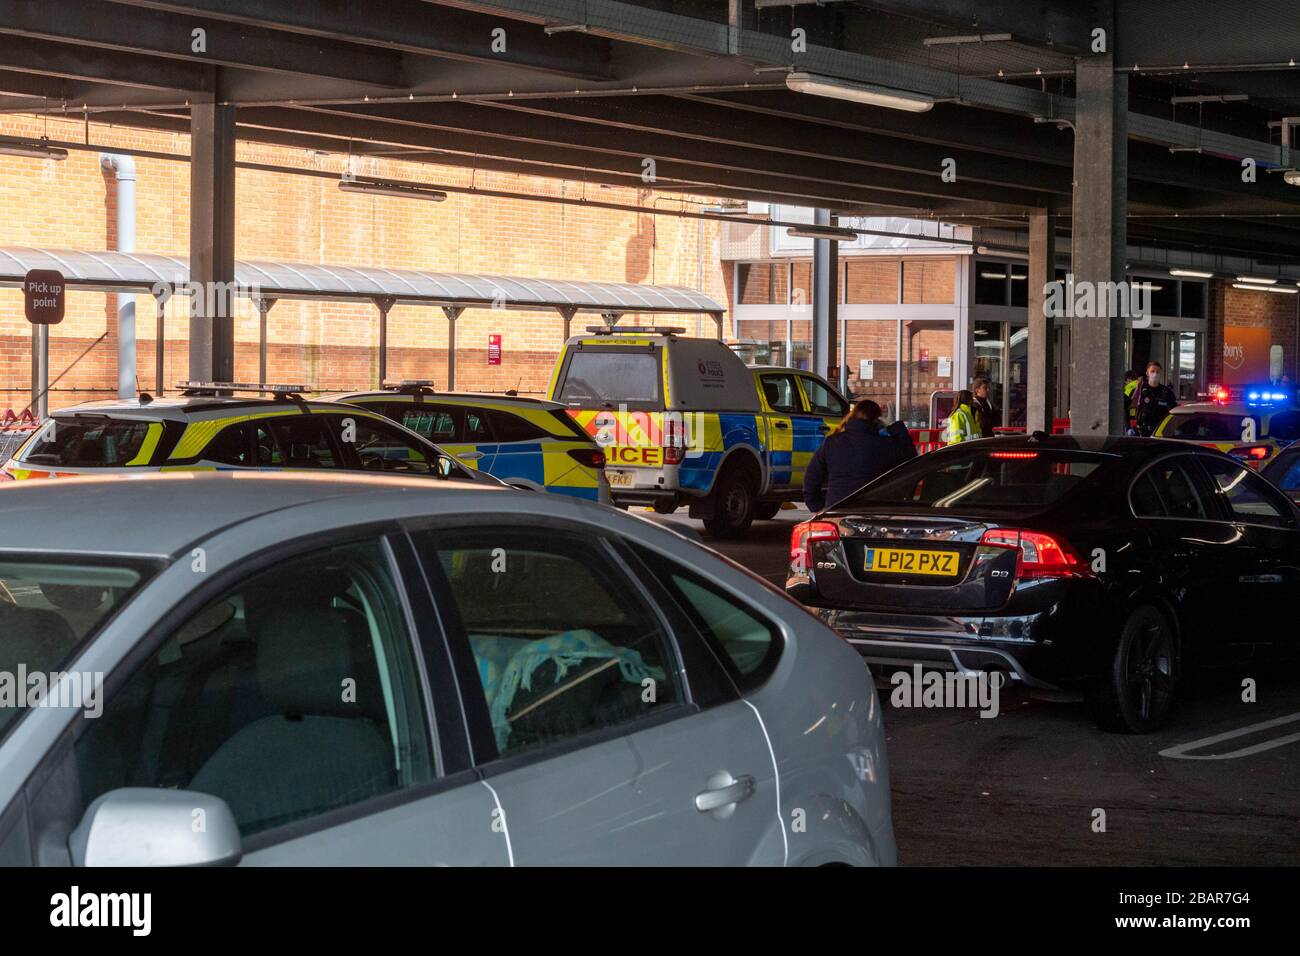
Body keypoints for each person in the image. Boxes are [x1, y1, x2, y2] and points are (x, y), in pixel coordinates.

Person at [803, 399, 908, 512]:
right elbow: (911, 460)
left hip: (837, 508)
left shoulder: (832, 442)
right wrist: (894, 426)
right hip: (875, 509)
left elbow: (812, 476)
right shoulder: (886, 445)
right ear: (877, 421)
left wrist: (816, 507)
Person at [1132, 361, 1177, 436]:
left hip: (1160, 432)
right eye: (1152, 371)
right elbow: (1131, 405)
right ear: (1147, 373)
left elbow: (1174, 411)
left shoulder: (1166, 392)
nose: (1155, 374)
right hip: (1142, 431)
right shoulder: (1140, 389)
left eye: (1158, 372)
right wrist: (1138, 387)